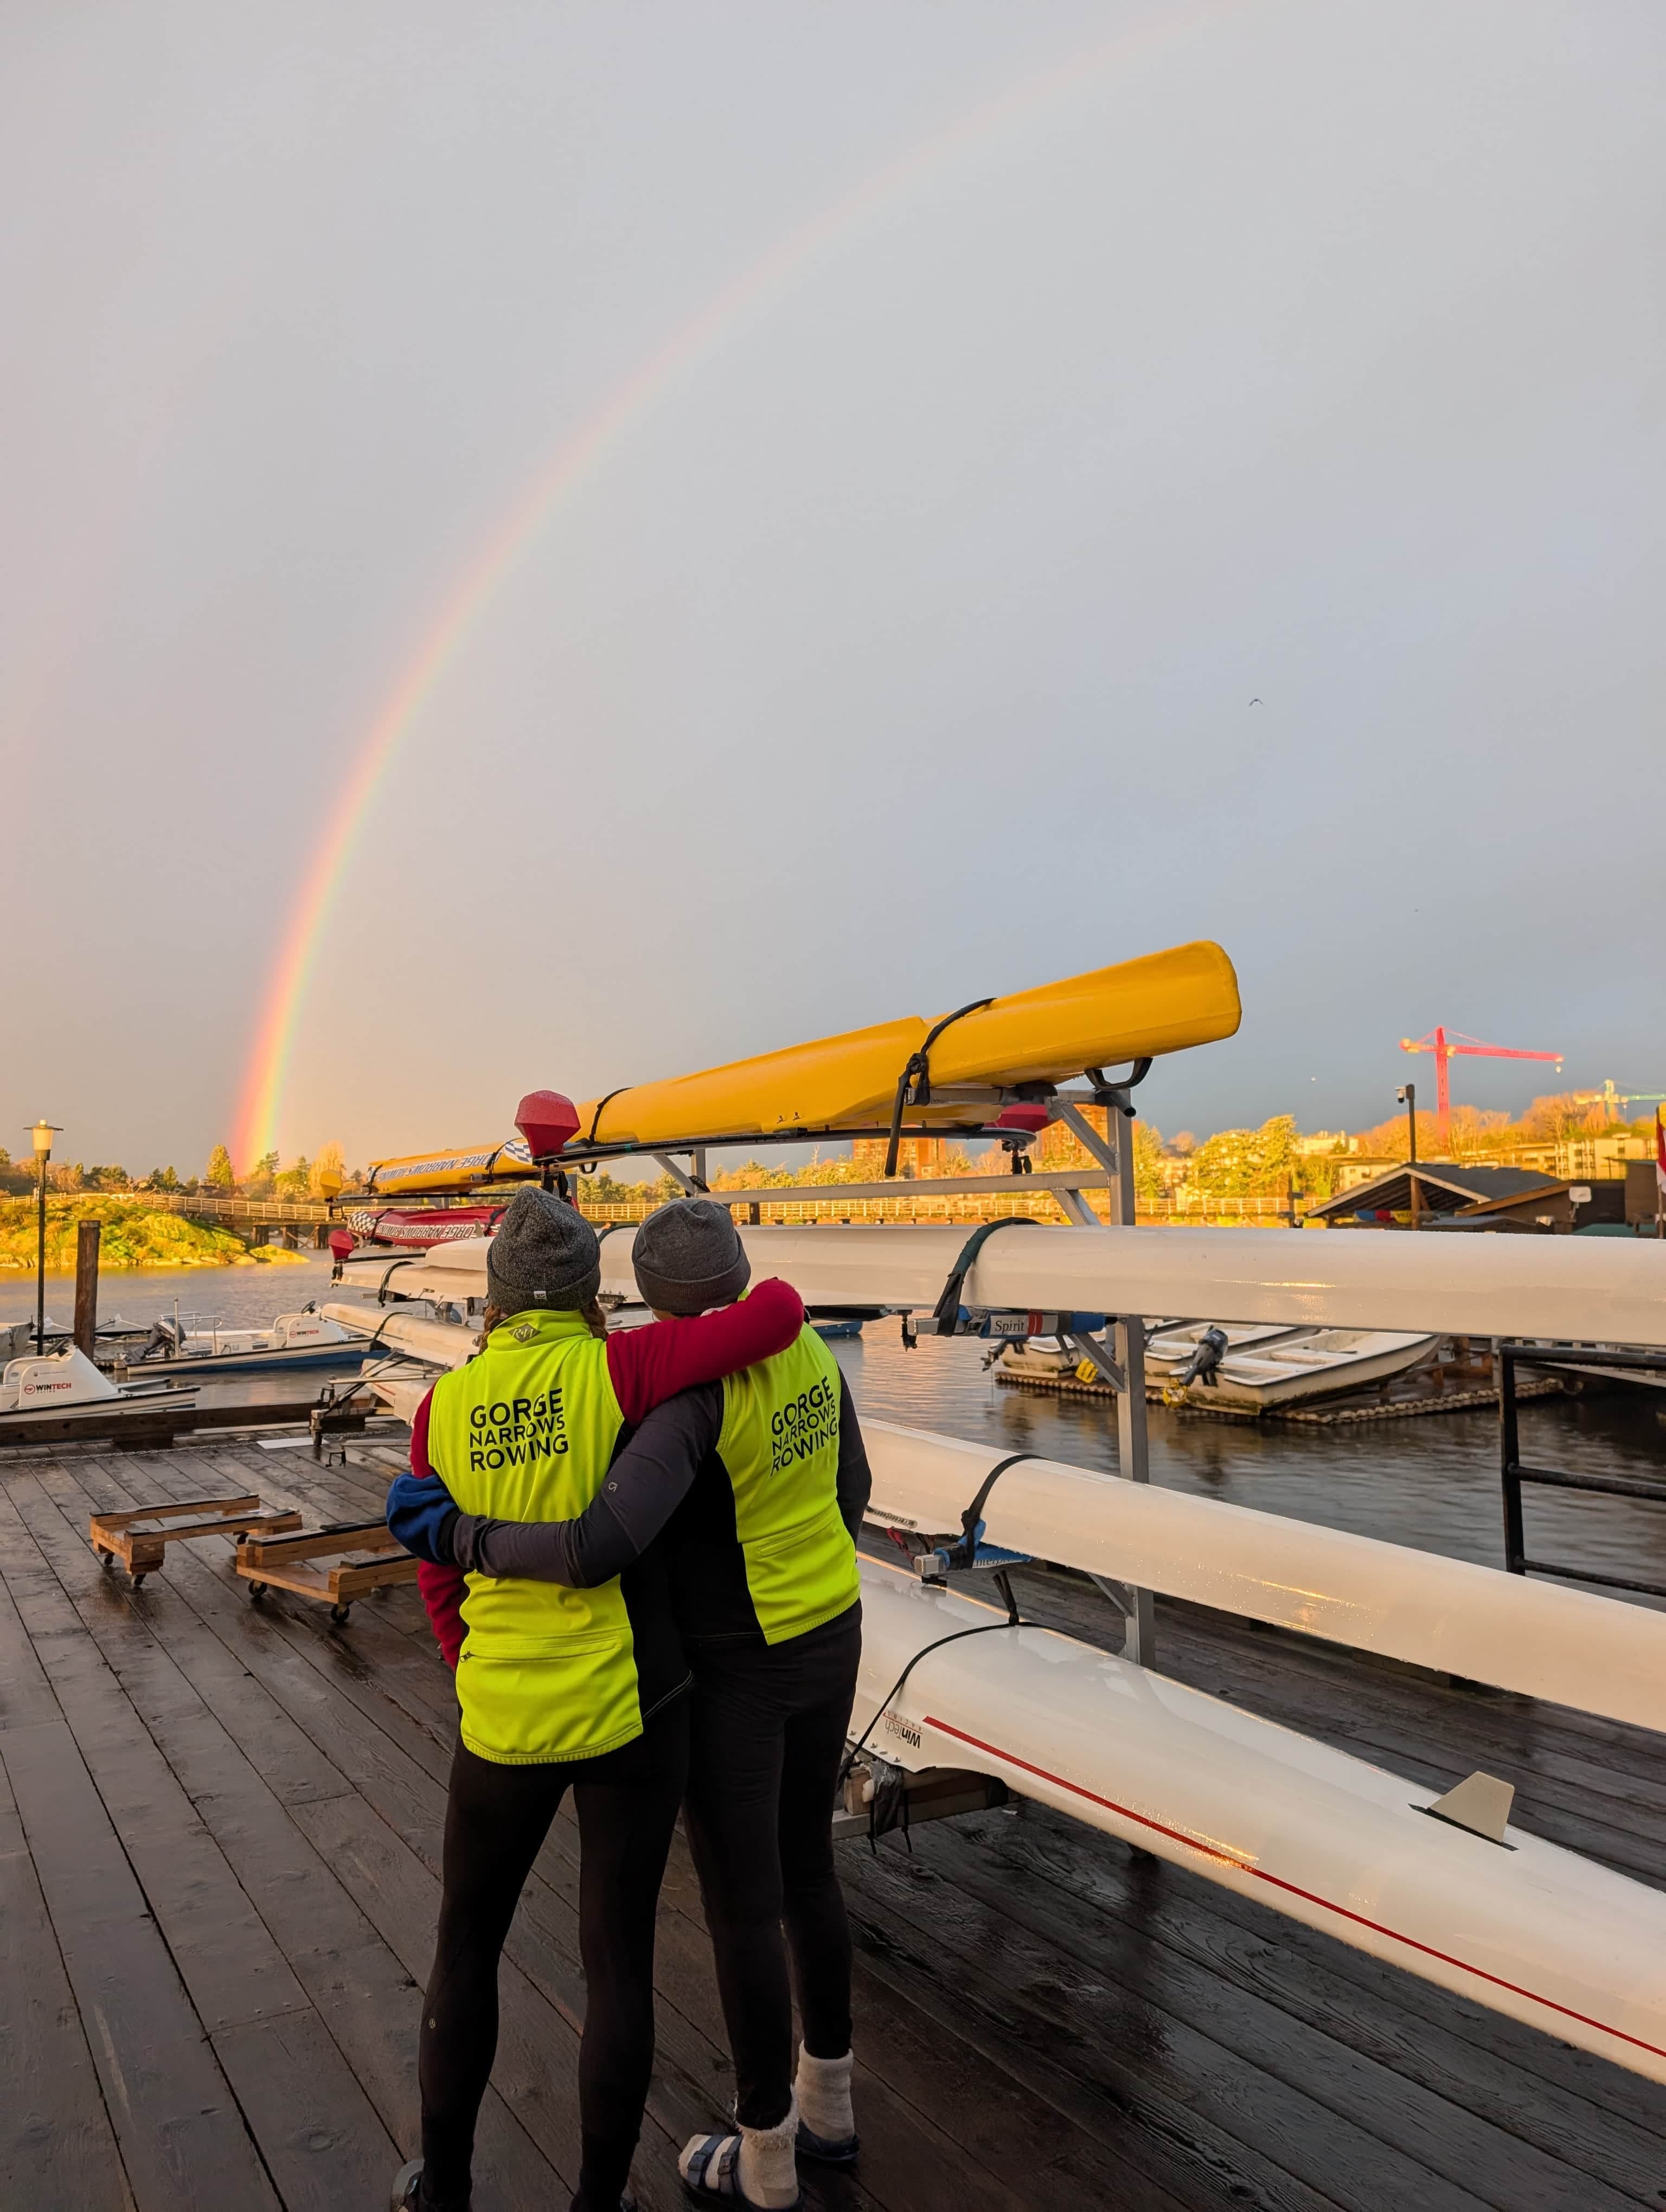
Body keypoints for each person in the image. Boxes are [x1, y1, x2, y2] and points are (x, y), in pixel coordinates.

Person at [403, 1198, 871, 2212]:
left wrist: (467, 1623)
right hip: (789, 1645)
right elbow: (851, 1487)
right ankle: (806, 2116)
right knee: (766, 1893)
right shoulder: (773, 1365)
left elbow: (574, 1551)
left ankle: (757, 2162)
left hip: (610, 1688)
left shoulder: (461, 1405)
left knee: (493, 1937)